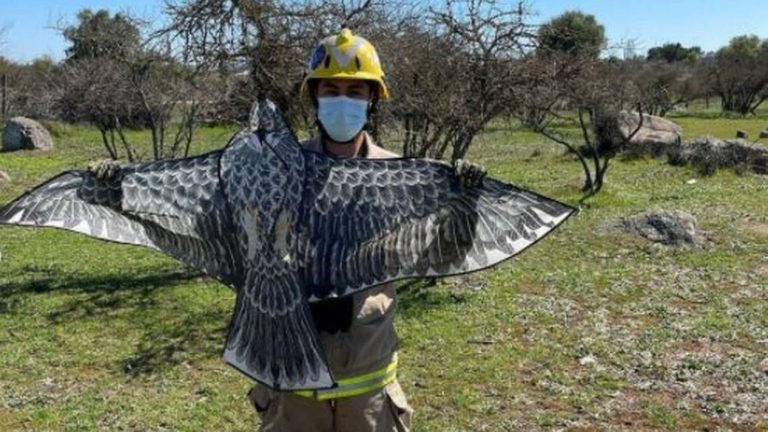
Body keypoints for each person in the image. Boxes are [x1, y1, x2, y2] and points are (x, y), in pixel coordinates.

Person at [246, 28, 486, 432]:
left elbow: (444, 257)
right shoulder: (279, 169)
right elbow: (246, 246)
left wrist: (465, 206)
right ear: (315, 97)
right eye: (331, 89)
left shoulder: (400, 177)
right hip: (292, 389)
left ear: (372, 100)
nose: (343, 101)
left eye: (355, 92)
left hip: (370, 395)